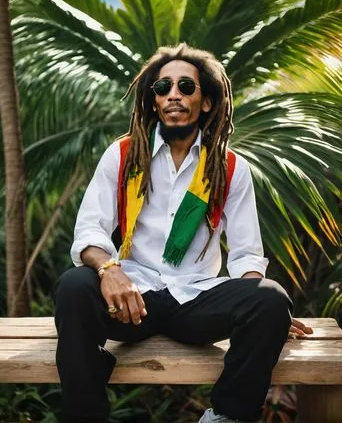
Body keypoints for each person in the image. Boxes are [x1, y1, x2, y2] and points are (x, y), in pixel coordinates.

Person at [54, 44, 312, 423]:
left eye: (185, 86)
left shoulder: (229, 168)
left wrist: (262, 309)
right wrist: (110, 269)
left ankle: (225, 415)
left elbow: (246, 255)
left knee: (271, 299)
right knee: (74, 285)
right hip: (133, 301)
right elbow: (90, 228)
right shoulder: (123, 155)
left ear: (205, 102)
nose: (173, 94)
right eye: (162, 87)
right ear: (154, 101)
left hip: (196, 300)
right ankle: (87, 415)